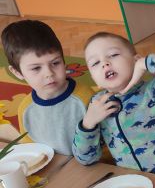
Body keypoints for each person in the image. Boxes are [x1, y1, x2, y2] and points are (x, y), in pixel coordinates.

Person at [73, 33, 155, 181]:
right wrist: (87, 124)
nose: (105, 63)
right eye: (95, 63)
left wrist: (146, 63)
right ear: (94, 78)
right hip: (135, 185)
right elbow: (86, 159)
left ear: (135, 60)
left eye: (113, 55)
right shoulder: (98, 105)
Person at [1, 19, 94, 155]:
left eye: (55, 63)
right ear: (17, 72)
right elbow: (31, 149)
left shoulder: (86, 98)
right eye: (36, 68)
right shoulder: (25, 109)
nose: (49, 73)